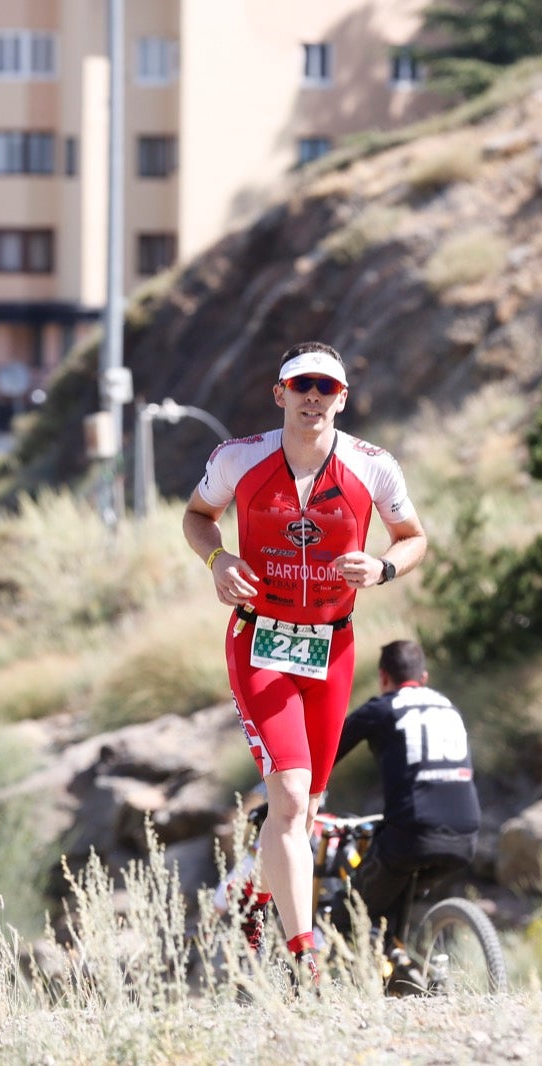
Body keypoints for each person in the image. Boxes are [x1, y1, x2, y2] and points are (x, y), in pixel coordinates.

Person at [185, 341, 427, 984]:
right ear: (281, 394)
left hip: (332, 647)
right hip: (260, 642)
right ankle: (304, 959)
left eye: (326, 387)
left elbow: (414, 539)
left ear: (342, 398)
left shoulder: (374, 467)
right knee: (290, 796)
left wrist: (380, 568)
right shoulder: (238, 458)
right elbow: (197, 516)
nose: (313, 396)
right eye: (302, 385)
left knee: (307, 807)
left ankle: (254, 899)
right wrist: (219, 561)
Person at [329, 640, 480, 965]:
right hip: (466, 837)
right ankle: (397, 957)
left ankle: (342, 966)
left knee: (349, 907)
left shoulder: (382, 708)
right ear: (423, 677)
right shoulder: (448, 707)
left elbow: (325, 756)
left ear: (383, 677)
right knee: (396, 885)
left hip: (410, 835)